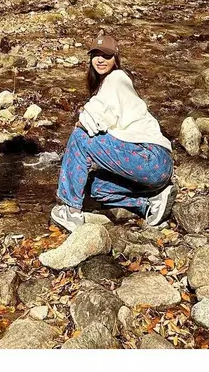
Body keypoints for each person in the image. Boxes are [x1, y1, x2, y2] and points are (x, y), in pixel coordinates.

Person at [51, 34, 176, 232]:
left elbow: (91, 120)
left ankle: (70, 211)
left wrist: (81, 122)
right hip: (151, 170)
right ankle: (149, 203)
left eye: (106, 56)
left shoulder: (116, 78)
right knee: (95, 188)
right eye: (95, 55)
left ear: (115, 59)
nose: (100, 60)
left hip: (151, 157)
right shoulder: (111, 85)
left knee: (79, 138)